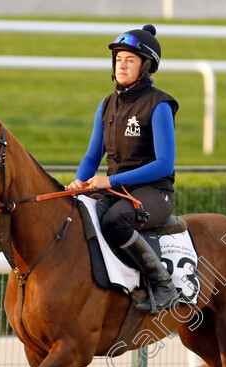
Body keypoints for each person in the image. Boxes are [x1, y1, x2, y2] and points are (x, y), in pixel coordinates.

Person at [66, 24, 179, 312]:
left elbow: (165, 164)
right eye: (118, 59)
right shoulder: (106, 106)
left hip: (155, 192)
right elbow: (93, 157)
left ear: (146, 66)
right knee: (79, 214)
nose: (122, 65)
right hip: (118, 190)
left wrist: (110, 182)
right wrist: (78, 183)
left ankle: (163, 286)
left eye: (130, 60)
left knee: (114, 221)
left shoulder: (160, 105)